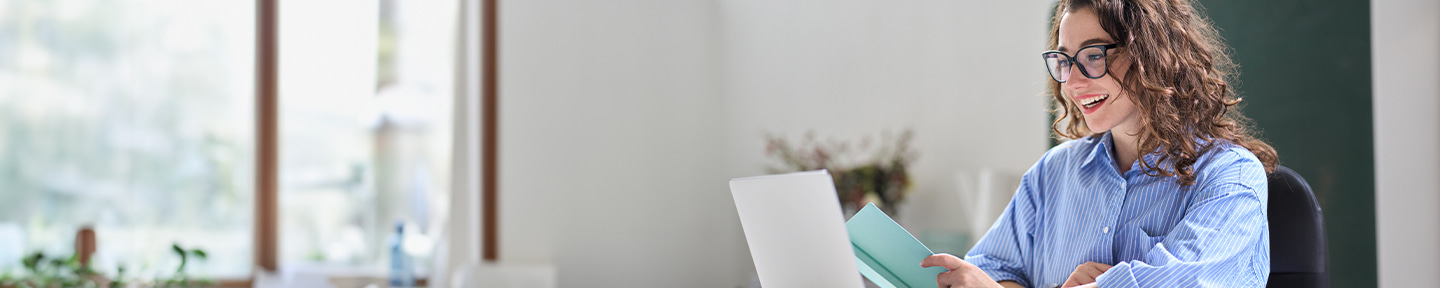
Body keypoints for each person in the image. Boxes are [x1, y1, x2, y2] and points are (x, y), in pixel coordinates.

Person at [919, 0, 1279, 287]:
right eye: (1064, 61)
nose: (1071, 83)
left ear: (1151, 55)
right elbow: (990, 270)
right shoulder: (1051, 173)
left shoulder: (1230, 177)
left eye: (1094, 56)